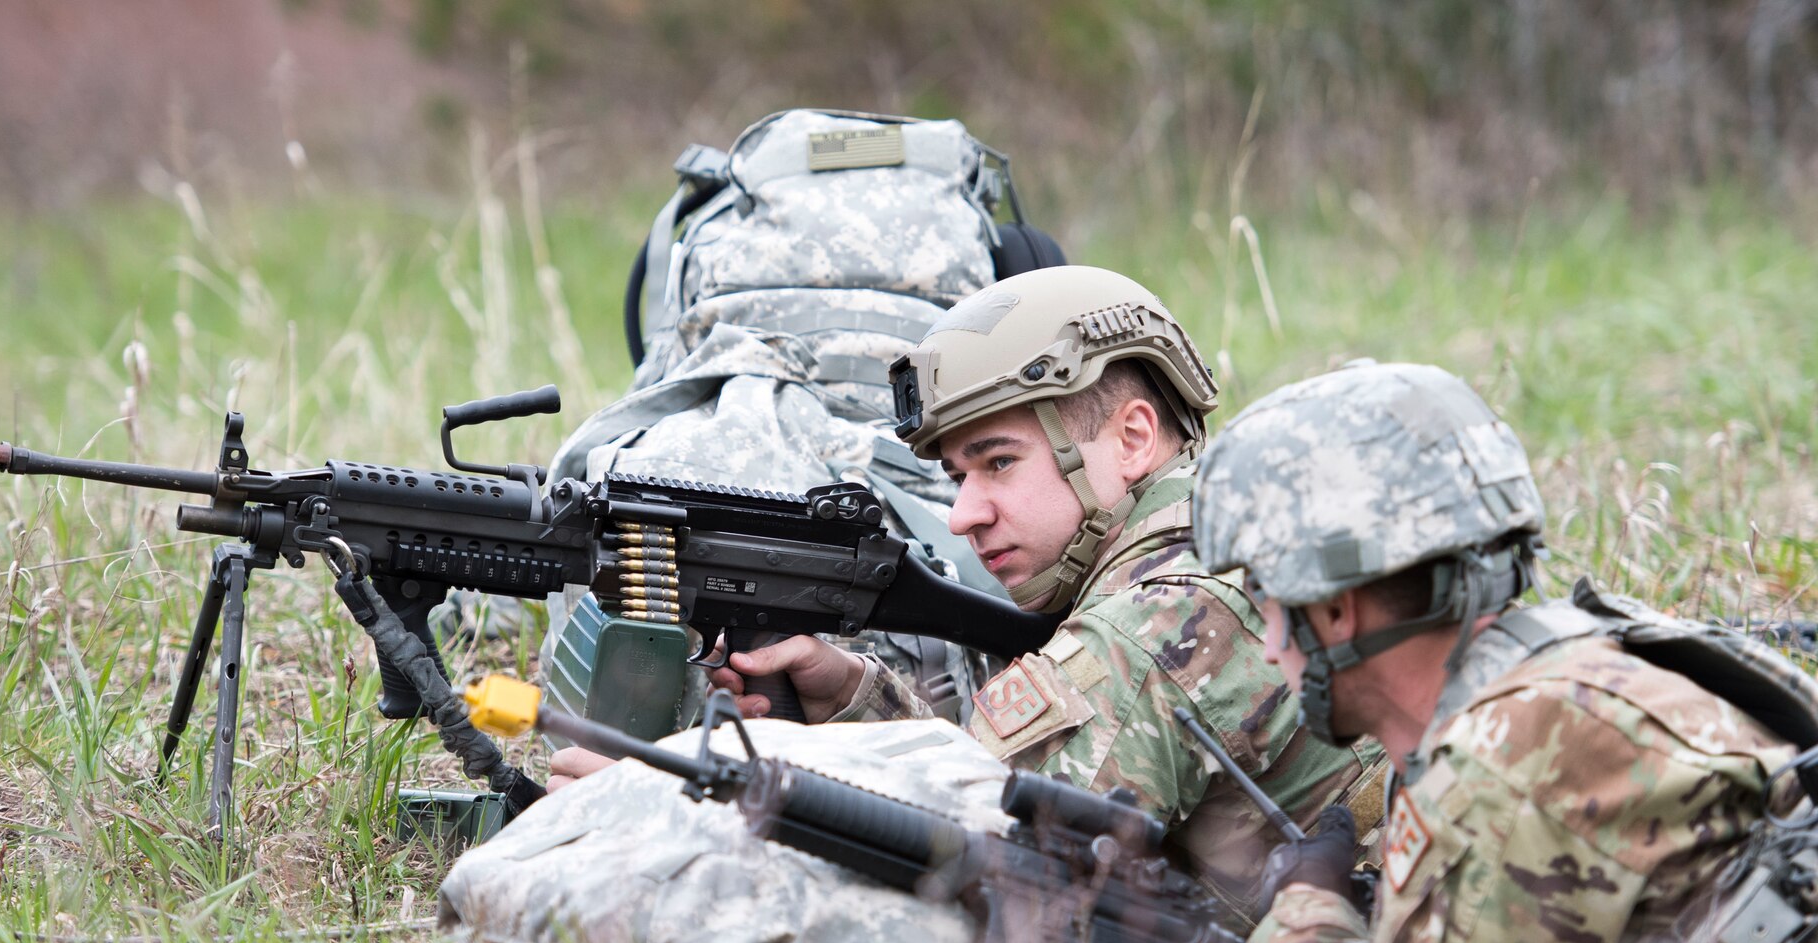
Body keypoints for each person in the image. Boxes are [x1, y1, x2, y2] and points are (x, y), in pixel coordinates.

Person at [562, 265, 1388, 909]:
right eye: (958, 475)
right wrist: (855, 698)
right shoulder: (1212, 545)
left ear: (1133, 437)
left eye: (999, 462)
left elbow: (975, 851)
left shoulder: (1165, 612)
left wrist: (666, 790)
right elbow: (1000, 780)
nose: (961, 514)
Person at [1191, 360, 1818, 943]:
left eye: (1265, 600)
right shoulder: (1574, 672)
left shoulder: (1514, 756)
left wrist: (1297, 915)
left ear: (1334, 611)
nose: (1271, 644)